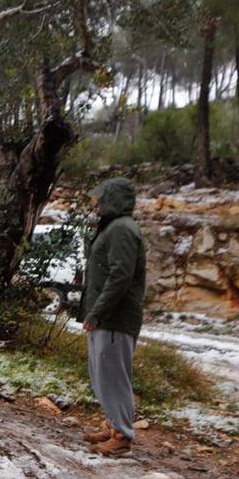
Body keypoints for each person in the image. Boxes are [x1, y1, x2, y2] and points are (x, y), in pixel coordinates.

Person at [80, 177, 147, 457]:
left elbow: (120, 277)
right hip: (107, 317)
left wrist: (97, 313)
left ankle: (122, 436)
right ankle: (113, 426)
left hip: (115, 318)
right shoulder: (113, 227)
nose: (95, 204)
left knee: (113, 377)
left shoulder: (122, 229)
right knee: (102, 375)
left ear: (113, 199)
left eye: (100, 199)